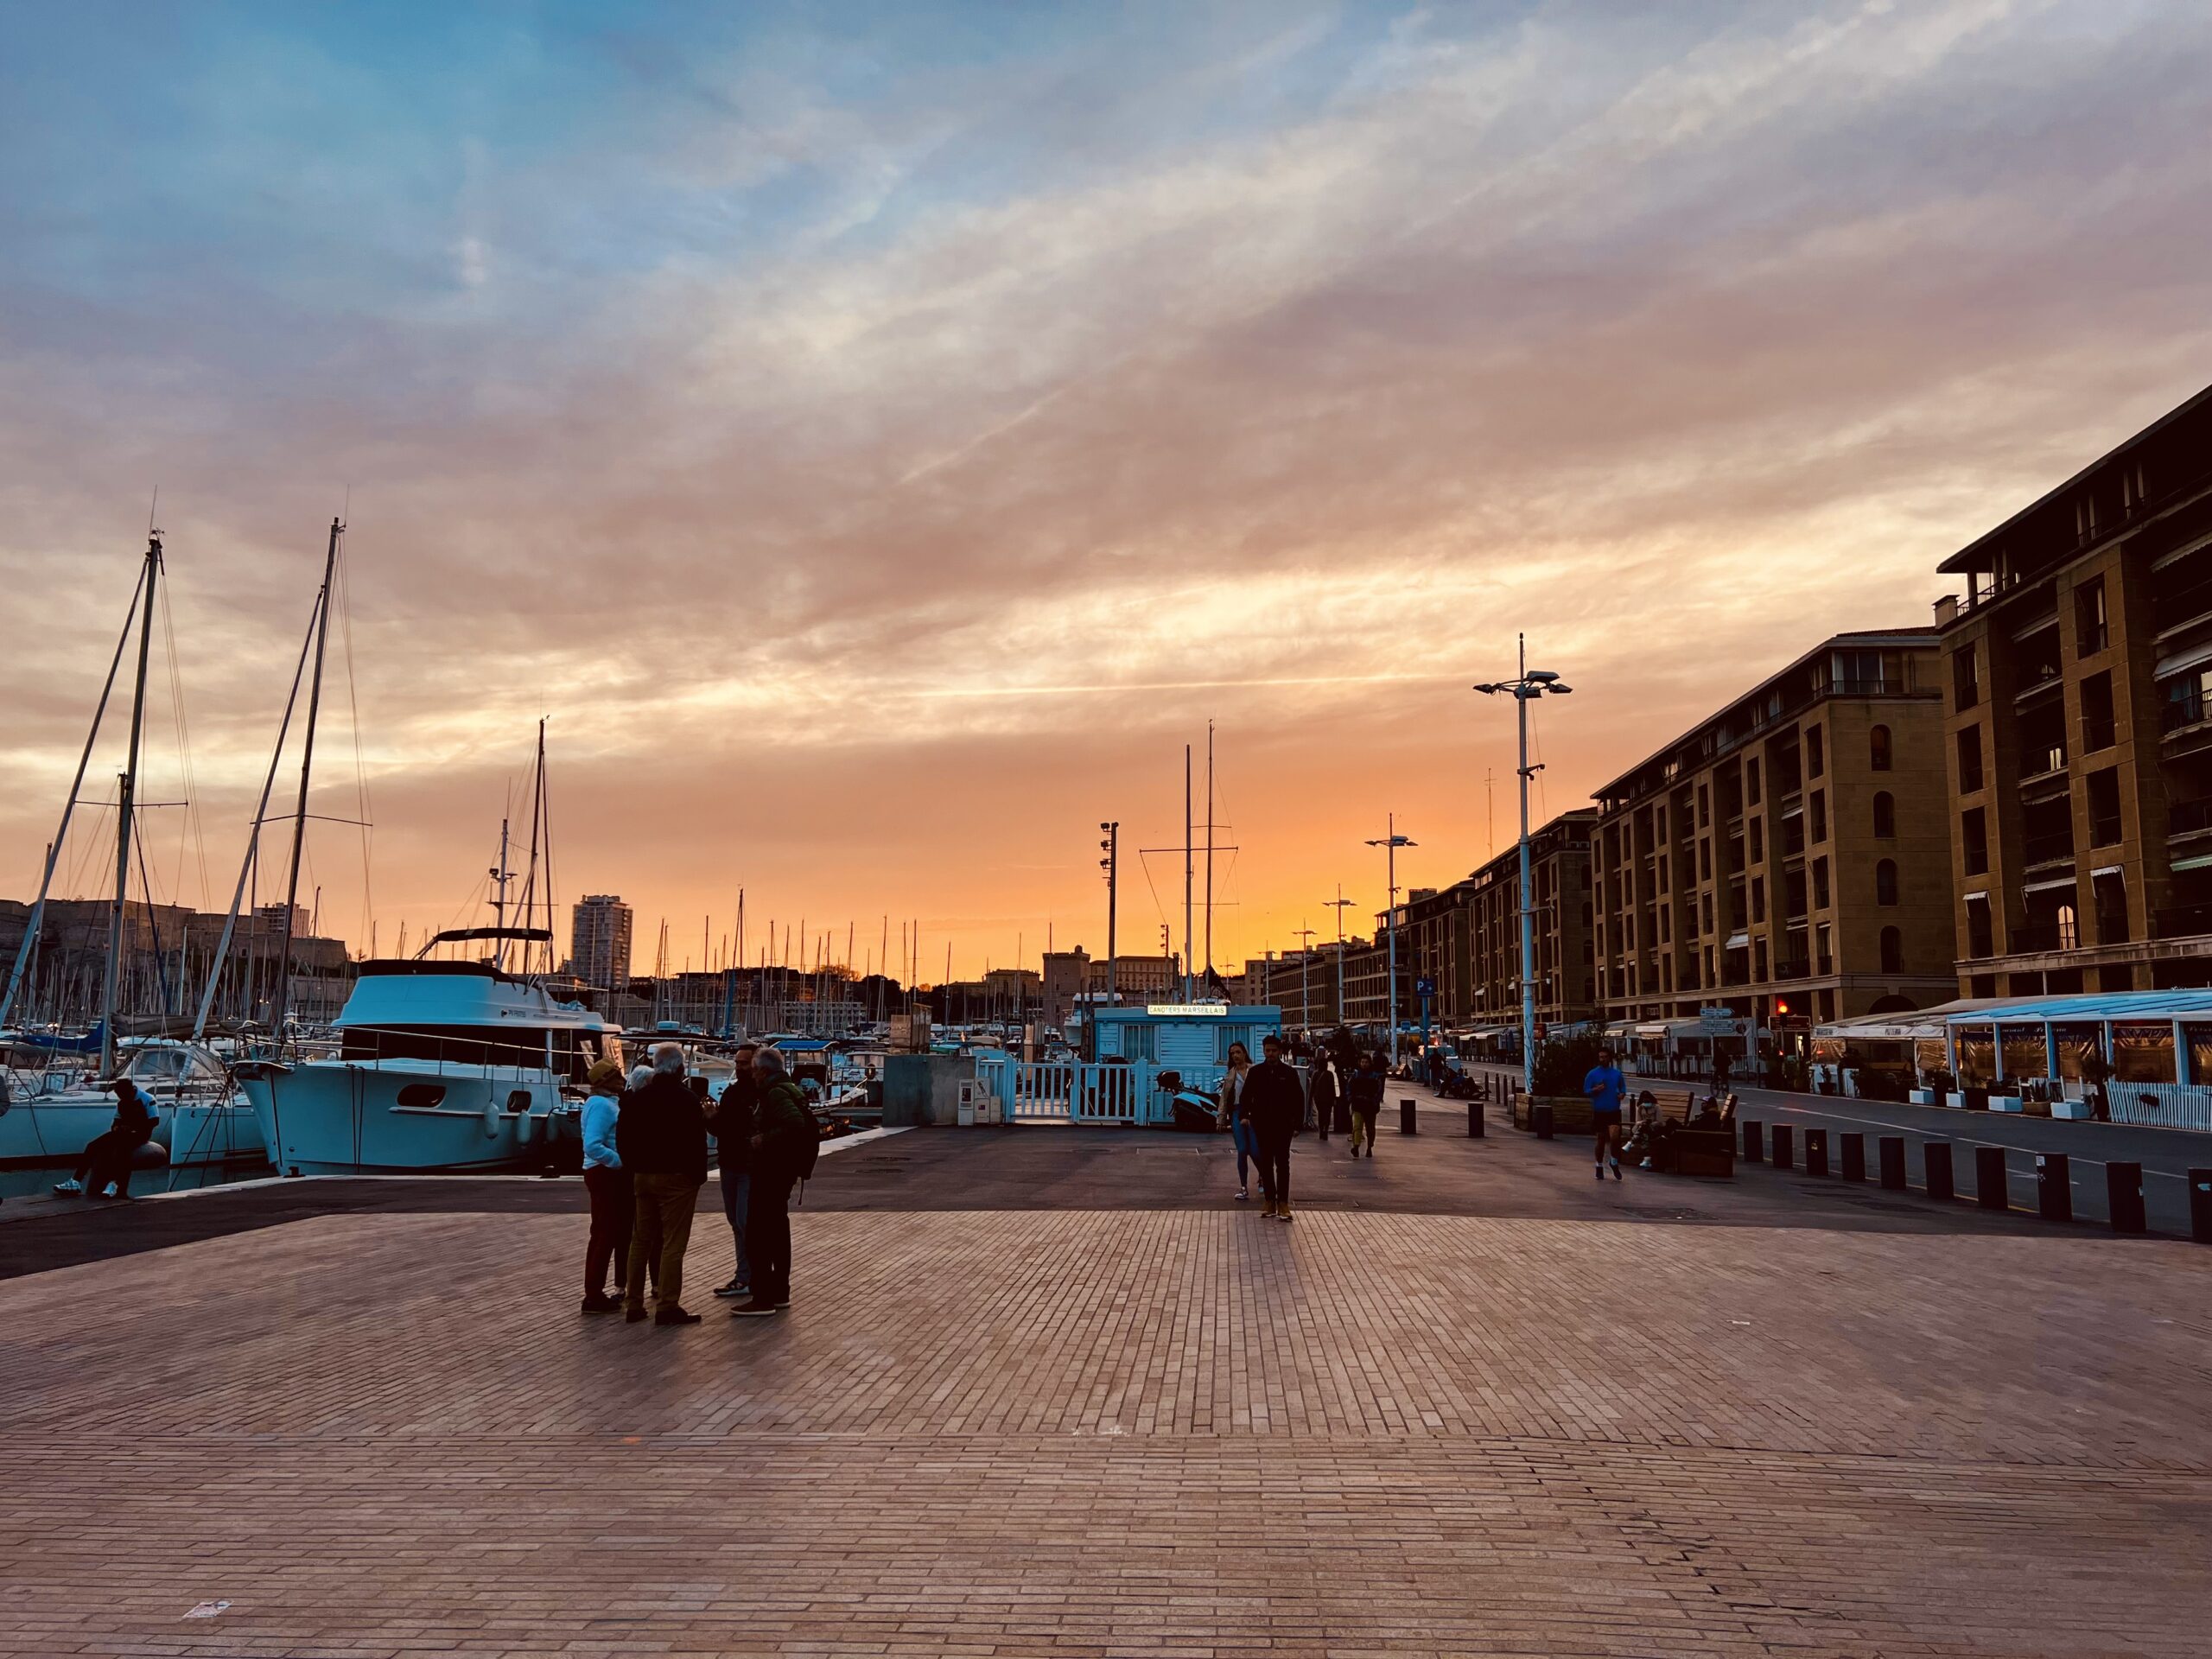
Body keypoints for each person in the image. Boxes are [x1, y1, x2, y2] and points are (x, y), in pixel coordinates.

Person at [620, 1041, 709, 1326]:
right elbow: (697, 1141)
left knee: (640, 1240)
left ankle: (633, 1303)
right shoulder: (687, 1100)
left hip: (642, 1176)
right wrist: (698, 1177)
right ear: (680, 1068)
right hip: (677, 1178)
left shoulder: (636, 1100)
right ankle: (668, 1305)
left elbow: (624, 1138)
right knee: (673, 1243)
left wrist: (634, 1168)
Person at [734, 1046, 814, 1319]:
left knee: (758, 1233)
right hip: (783, 1172)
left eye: (755, 1070)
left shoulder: (775, 1093)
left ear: (764, 1071)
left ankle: (763, 1297)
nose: (752, 1076)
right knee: (778, 1231)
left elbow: (794, 1123)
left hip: (770, 1172)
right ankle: (780, 1292)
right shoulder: (790, 1088)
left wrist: (764, 1139)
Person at [579, 1058, 633, 1313]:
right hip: (606, 1173)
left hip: (602, 1172)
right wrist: (619, 1161)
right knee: (606, 1234)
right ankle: (594, 1294)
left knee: (602, 1232)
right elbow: (592, 1144)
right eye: (616, 1076)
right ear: (606, 1083)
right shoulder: (602, 1106)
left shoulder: (600, 1103)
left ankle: (594, 1290)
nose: (622, 1079)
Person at [707, 1042, 760, 1300]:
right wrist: (711, 1118)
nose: (739, 1067)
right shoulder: (730, 1093)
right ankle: (744, 1274)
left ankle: (749, 1276)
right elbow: (722, 1130)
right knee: (735, 1222)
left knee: (745, 1222)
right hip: (729, 1164)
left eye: (744, 1063)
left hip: (749, 1166)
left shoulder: (761, 1095)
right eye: (737, 1063)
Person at [53, 1077, 158, 1200]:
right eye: (119, 1096)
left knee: (122, 1150)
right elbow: (115, 1122)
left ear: (131, 1091)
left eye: (123, 1095)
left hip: (140, 1134)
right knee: (92, 1146)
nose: (121, 1098)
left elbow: (154, 1121)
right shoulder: (121, 1103)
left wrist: (133, 1128)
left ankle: (116, 1184)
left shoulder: (147, 1099)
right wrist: (117, 1128)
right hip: (122, 1133)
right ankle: (75, 1181)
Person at [1245, 1033, 1305, 1220]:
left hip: (1283, 1126)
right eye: (1267, 1050)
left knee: (1282, 1164)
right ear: (1263, 1051)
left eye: (1273, 1051)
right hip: (1262, 1125)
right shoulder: (1256, 1073)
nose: (1270, 1054)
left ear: (1280, 1052)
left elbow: (1298, 1099)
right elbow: (1246, 1096)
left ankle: (1283, 1204)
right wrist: (1246, 1116)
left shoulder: (1289, 1073)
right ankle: (1270, 1201)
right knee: (1266, 1165)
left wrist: (1297, 1124)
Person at [1214, 1041, 1257, 1200]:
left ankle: (1263, 1176)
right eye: (1232, 1053)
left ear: (1244, 1053)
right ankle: (1244, 1186)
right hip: (1237, 1112)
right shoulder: (1230, 1075)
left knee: (1255, 1150)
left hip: (1254, 1113)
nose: (1235, 1056)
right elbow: (1224, 1098)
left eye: (1238, 1052)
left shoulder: (1254, 1071)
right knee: (1242, 1150)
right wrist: (1221, 1118)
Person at [1583, 1045, 1627, 1181]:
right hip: (1600, 1110)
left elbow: (1623, 1088)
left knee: (1614, 1138)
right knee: (1601, 1139)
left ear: (1609, 1058)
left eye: (1605, 1057)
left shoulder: (1616, 1074)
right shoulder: (1593, 1074)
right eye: (1600, 1057)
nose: (1603, 1059)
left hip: (1613, 1110)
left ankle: (1613, 1161)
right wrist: (1595, 1089)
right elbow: (1586, 1091)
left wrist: (1621, 1095)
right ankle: (1599, 1165)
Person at [1346, 1051, 1384, 1158]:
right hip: (1358, 1105)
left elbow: (1379, 1090)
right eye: (1362, 1062)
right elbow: (1349, 1087)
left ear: (1370, 1063)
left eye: (1366, 1062)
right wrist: (1350, 1098)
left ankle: (1369, 1147)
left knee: (1370, 1128)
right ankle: (1356, 1147)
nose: (1364, 1064)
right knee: (1357, 1126)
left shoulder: (1375, 1077)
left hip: (1370, 1106)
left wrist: (1375, 1101)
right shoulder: (1355, 1075)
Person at [1307, 1051, 1339, 1146]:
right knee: (1328, 1114)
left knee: (1321, 1114)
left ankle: (1322, 1130)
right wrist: (1334, 1098)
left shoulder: (1315, 1074)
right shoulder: (1330, 1074)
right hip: (1328, 1098)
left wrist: (1310, 1098)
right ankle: (1325, 1129)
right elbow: (1332, 1087)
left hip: (1319, 1098)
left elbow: (1312, 1086)